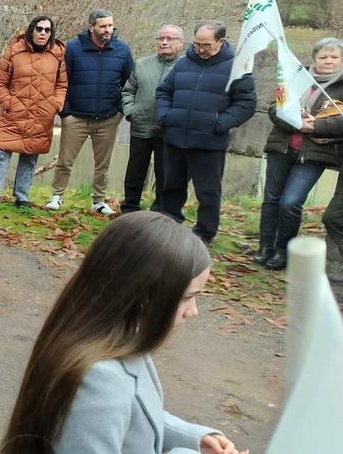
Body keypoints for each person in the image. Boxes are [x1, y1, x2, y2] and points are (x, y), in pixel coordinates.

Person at [0, 211, 250, 454]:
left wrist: (194, 438)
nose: (193, 311)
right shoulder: (98, 378)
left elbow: (135, 414)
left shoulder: (117, 338)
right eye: (187, 298)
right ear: (145, 297)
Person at [155, 20, 256, 244]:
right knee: (170, 186)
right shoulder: (183, 64)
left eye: (206, 45)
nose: (200, 49)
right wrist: (166, 117)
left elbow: (246, 104)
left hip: (209, 142)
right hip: (175, 138)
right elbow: (163, 92)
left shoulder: (237, 67)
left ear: (220, 41)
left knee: (208, 193)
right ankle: (169, 226)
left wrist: (219, 124)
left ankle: (204, 234)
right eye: (197, 44)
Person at [254, 37, 343, 270]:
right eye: (323, 57)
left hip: (315, 154)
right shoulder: (296, 77)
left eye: (334, 57)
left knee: (290, 202)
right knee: (271, 199)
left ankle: (284, 250)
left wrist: (316, 126)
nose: (329, 61)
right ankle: (265, 246)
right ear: (314, 59)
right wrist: (296, 121)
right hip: (281, 146)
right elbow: (274, 108)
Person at [0, 16, 67, 212]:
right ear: (32, 30)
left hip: (41, 115)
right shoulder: (14, 50)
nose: (43, 33)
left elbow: (62, 85)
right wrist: (8, 103)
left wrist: (55, 104)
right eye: (39, 29)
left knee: (29, 158)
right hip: (13, 114)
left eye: (47, 30)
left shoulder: (58, 54)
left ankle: (22, 198)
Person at [44, 9, 133, 215]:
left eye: (110, 25)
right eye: (103, 26)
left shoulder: (122, 49)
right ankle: (56, 196)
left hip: (109, 118)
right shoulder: (73, 48)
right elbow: (62, 81)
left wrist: (119, 110)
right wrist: (65, 112)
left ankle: (99, 201)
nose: (108, 30)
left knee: (103, 163)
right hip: (76, 116)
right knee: (65, 160)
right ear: (91, 27)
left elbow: (129, 81)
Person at [120, 25, 183, 213]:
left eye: (169, 39)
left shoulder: (186, 67)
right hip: (140, 125)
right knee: (135, 170)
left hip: (168, 129)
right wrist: (131, 110)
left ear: (180, 42)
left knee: (164, 172)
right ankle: (130, 207)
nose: (164, 42)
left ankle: (160, 210)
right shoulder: (142, 64)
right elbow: (128, 90)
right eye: (161, 38)